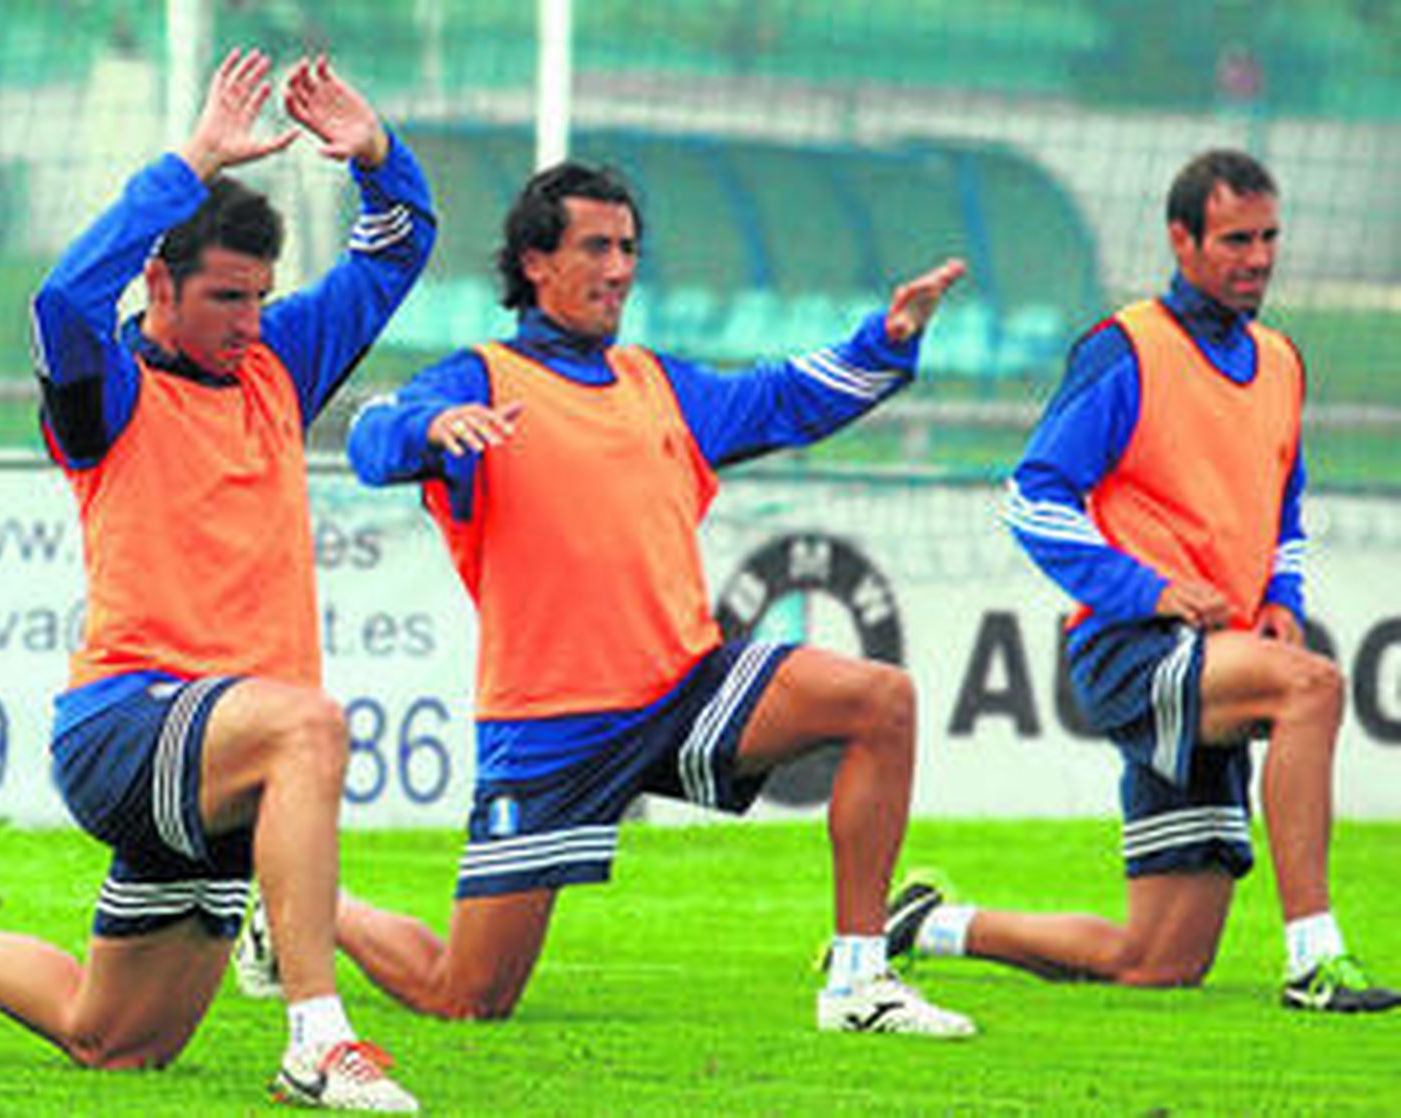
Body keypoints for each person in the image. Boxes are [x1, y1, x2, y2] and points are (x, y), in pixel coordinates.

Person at [0, 48, 436, 1110]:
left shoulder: (276, 362)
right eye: (227, 297)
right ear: (158, 282)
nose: (250, 320)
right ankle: (317, 1041)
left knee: (114, 1042)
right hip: (126, 725)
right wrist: (190, 163)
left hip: (225, 763)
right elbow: (62, 297)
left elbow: (396, 250)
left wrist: (377, 155)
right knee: (310, 726)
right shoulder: (108, 388)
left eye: (261, 296)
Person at [250, 159, 975, 1036]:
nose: (621, 267)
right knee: (466, 996)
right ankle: (303, 911)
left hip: (683, 688)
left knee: (879, 701)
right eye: (596, 247)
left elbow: (784, 399)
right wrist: (428, 428)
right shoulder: (479, 377)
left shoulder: (656, 383)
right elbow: (370, 434)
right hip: (552, 727)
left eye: (629, 248)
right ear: (534, 263)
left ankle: (859, 980)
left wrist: (885, 342)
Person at [887, 149, 1399, 1014]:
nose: (1259, 258)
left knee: (1158, 961)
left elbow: (1286, 512)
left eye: (1268, 237)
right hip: (1133, 648)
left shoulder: (1281, 361)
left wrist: (1283, 602)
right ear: (1181, 240)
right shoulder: (1125, 350)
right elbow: (1032, 498)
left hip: (1220, 652)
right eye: (1236, 239)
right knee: (1311, 688)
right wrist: (1148, 589)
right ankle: (1314, 960)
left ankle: (930, 924)